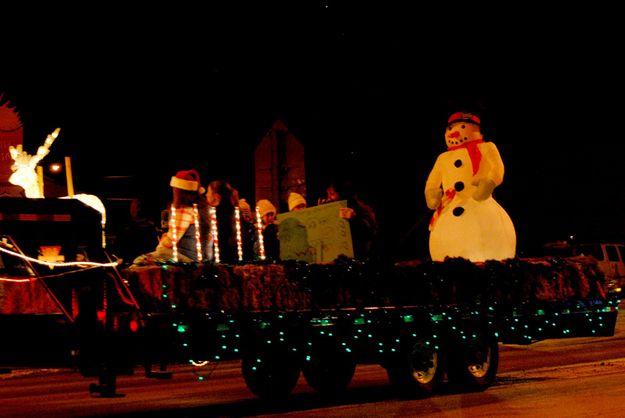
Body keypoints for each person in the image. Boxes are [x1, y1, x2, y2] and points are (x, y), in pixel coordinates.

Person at [424, 111, 516, 262]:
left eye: (462, 126)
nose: (454, 132)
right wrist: (432, 194)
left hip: (480, 203)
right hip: (449, 207)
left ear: (477, 131)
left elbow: (497, 169)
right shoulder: (443, 158)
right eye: (450, 128)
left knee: (489, 233)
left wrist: (488, 183)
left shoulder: (486, 148)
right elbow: (432, 181)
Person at [133, 169, 208, 264]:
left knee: (139, 261)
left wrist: (161, 243)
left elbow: (171, 240)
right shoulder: (204, 209)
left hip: (187, 258)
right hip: (202, 257)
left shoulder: (185, 210)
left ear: (178, 190)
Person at [319, 180, 378, 261]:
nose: (328, 198)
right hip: (336, 258)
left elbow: (369, 232)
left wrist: (355, 219)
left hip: (357, 258)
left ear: (343, 194)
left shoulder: (359, 209)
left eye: (332, 194)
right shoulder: (331, 209)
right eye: (327, 194)